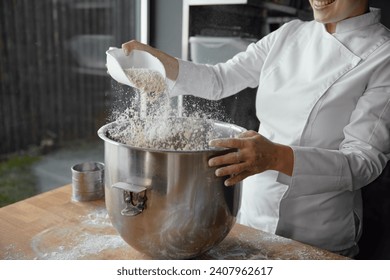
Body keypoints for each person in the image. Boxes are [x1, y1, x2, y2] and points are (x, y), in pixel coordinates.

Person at [121, 0, 390, 257]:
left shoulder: (383, 55)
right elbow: (220, 79)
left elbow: (363, 161)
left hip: (317, 232)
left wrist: (275, 157)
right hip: (251, 218)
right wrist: (158, 64)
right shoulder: (290, 33)